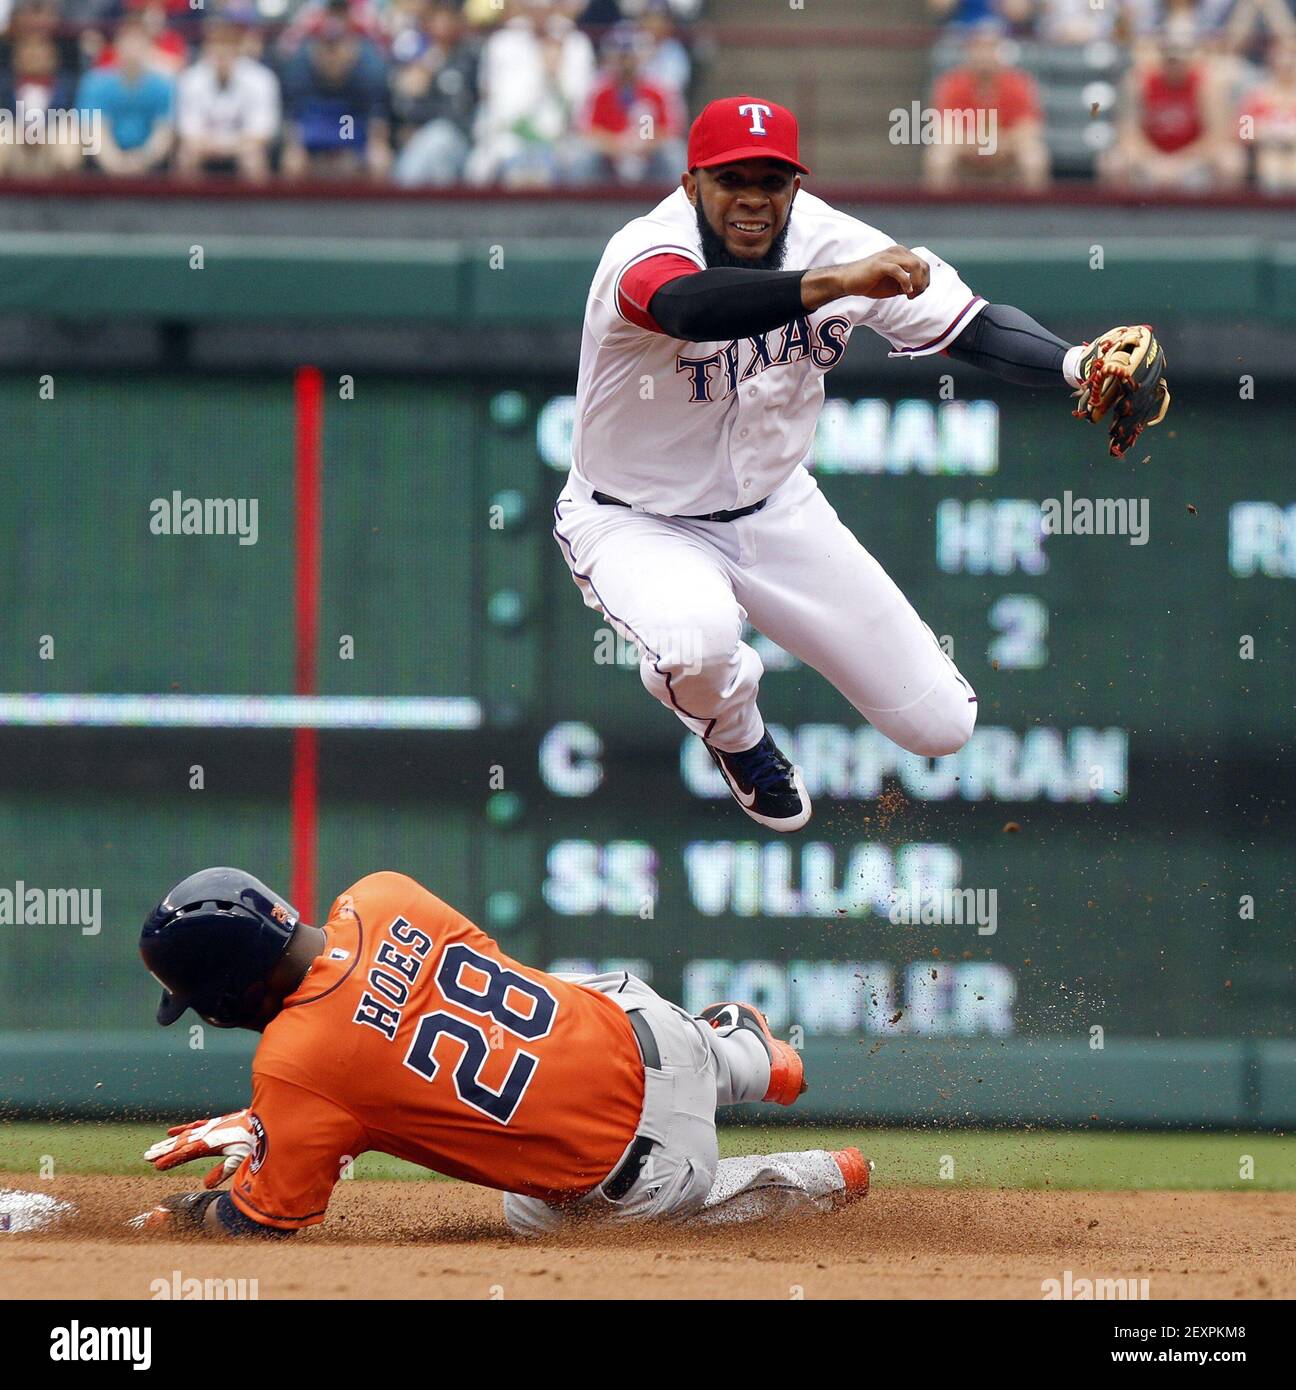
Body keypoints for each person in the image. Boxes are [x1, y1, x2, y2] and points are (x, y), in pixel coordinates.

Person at [554, 95, 1168, 831]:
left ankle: (766, 704)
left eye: (773, 181)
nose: (753, 198)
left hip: (776, 511)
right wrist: (841, 282)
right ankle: (736, 735)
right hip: (636, 522)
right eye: (731, 179)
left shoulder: (832, 239)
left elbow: (968, 324)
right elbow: (690, 307)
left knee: (941, 725)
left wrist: (1074, 363)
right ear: (691, 186)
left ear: (796, 188)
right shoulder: (647, 248)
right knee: (698, 642)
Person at [133, 868, 871, 1235]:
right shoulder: (383, 894)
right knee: (565, 995)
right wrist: (277, 1116)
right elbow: (377, 1051)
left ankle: (812, 1176)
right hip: (650, 1022)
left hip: (652, 1164)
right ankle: (749, 1055)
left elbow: (261, 1220)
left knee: (535, 1217)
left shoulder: (295, 1068)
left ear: (227, 992)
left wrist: (181, 1211)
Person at [1099, 19, 1244, 189]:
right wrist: (1154, 161)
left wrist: (1180, 162)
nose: (1174, 65)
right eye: (1170, 58)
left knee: (1231, 161)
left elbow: (1218, 136)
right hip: (1151, 158)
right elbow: (1128, 134)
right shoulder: (1138, 81)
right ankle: (1121, 214)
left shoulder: (1208, 85)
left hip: (1195, 159)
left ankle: (1221, 214)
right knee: (1114, 162)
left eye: (1179, 58)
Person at [924, 21, 1050, 191]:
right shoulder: (952, 83)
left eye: (990, 48)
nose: (984, 54)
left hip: (1007, 148)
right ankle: (939, 214)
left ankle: (1032, 214)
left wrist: (999, 143)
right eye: (978, 48)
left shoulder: (1018, 83)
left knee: (1034, 156)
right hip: (965, 148)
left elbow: (1029, 129)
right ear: (968, 52)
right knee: (938, 156)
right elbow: (944, 128)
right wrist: (977, 143)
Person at [279, 8, 392, 180]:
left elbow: (377, 123)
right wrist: (294, 148)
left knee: (379, 160)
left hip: (353, 128)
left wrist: (374, 148)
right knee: (292, 162)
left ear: (352, 44)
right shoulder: (297, 68)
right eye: (326, 46)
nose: (333, 55)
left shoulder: (371, 69)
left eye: (339, 46)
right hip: (314, 129)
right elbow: (291, 120)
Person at [571, 22, 685, 183]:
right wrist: (617, 145)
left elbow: (672, 130)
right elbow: (586, 130)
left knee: (674, 154)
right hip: (609, 156)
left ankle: (673, 205)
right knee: (581, 154)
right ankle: (583, 207)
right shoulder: (597, 90)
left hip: (649, 157)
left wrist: (643, 145)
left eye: (631, 56)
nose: (626, 63)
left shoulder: (660, 89)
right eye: (621, 56)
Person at [174, 15, 280, 182]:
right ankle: (187, 208)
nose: (221, 56)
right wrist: (214, 146)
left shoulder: (261, 78)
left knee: (253, 159)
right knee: (186, 156)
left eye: (227, 50)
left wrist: (227, 147)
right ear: (206, 51)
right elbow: (189, 133)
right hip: (204, 147)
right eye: (216, 50)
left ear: (238, 51)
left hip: (243, 148)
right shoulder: (191, 79)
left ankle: (256, 207)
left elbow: (261, 133)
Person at [389, 1, 480, 187]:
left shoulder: (471, 55)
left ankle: (402, 205)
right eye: (437, 16)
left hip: (461, 139)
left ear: (459, 20)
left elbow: (457, 113)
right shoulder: (414, 55)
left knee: (438, 138)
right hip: (419, 141)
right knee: (431, 154)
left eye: (448, 16)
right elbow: (402, 109)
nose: (442, 23)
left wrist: (430, 82)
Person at [75, 14, 175, 175]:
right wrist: (115, 163)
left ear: (149, 46)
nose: (133, 48)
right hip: (103, 166)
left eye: (139, 42)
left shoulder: (164, 85)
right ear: (117, 45)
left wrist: (142, 160)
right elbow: (94, 130)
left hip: (151, 168)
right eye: (128, 41)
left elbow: (164, 132)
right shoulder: (94, 82)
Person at [1239, 32, 1296, 190]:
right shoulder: (1256, 95)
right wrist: (1263, 132)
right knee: (1271, 165)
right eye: (1281, 55)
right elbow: (1244, 133)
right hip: (1266, 152)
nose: (1287, 61)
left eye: (1292, 55)